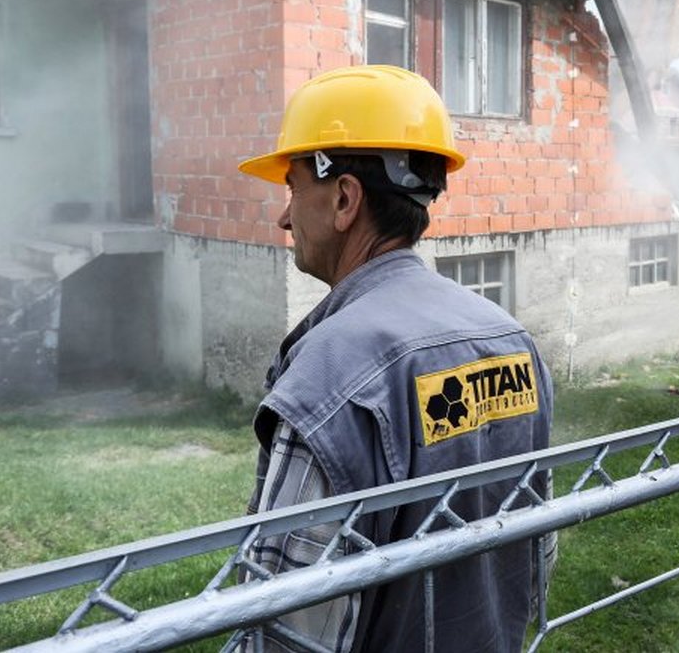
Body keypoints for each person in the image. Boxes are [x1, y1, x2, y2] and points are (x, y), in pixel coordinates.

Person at [237, 65, 553, 652]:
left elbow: (285, 622)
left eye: (292, 189)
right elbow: (535, 553)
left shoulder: (327, 376)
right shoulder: (512, 340)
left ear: (343, 199)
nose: (284, 216)